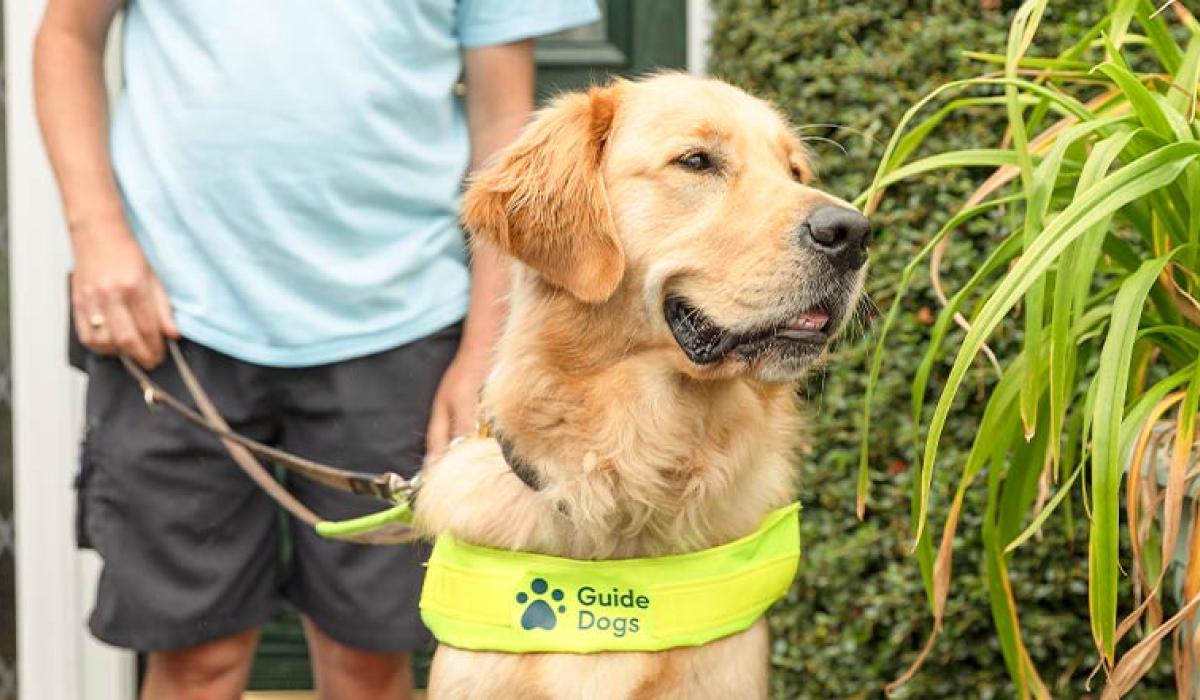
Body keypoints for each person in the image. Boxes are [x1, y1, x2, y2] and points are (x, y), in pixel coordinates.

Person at [33, 0, 599, 697]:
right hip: (174, 325)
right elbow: (66, 36)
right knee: (193, 664)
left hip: (401, 327)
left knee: (367, 663)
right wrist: (96, 238)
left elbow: (502, 123)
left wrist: (486, 347)